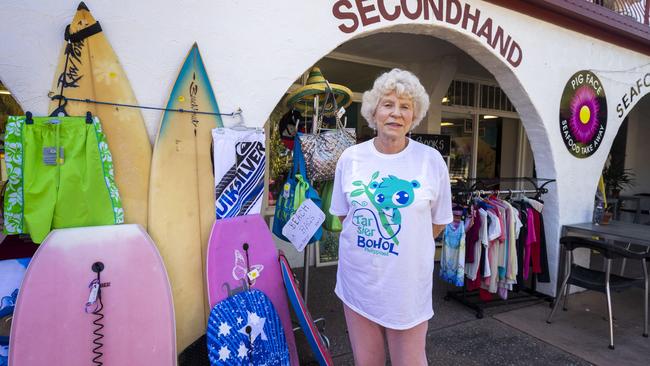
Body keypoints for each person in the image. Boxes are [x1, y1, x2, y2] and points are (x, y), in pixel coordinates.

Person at [329, 69, 453, 365]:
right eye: (388, 104)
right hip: (358, 283)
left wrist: (403, 245)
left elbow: (436, 223)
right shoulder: (351, 158)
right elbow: (346, 217)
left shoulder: (431, 161)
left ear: (415, 115)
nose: (396, 114)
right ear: (374, 111)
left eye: (405, 106)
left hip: (406, 289)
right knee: (366, 361)